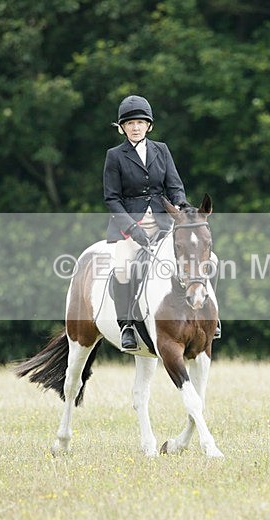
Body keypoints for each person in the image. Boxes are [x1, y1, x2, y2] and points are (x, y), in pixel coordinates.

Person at [103, 95, 189, 351]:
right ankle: (127, 325)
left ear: (148, 125)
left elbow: (175, 186)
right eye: (130, 123)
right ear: (122, 127)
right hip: (130, 226)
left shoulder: (161, 150)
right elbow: (112, 198)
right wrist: (132, 228)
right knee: (123, 267)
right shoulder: (115, 156)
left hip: (163, 223)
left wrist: (182, 206)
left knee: (200, 258)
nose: (135, 127)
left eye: (140, 122)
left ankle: (207, 315)